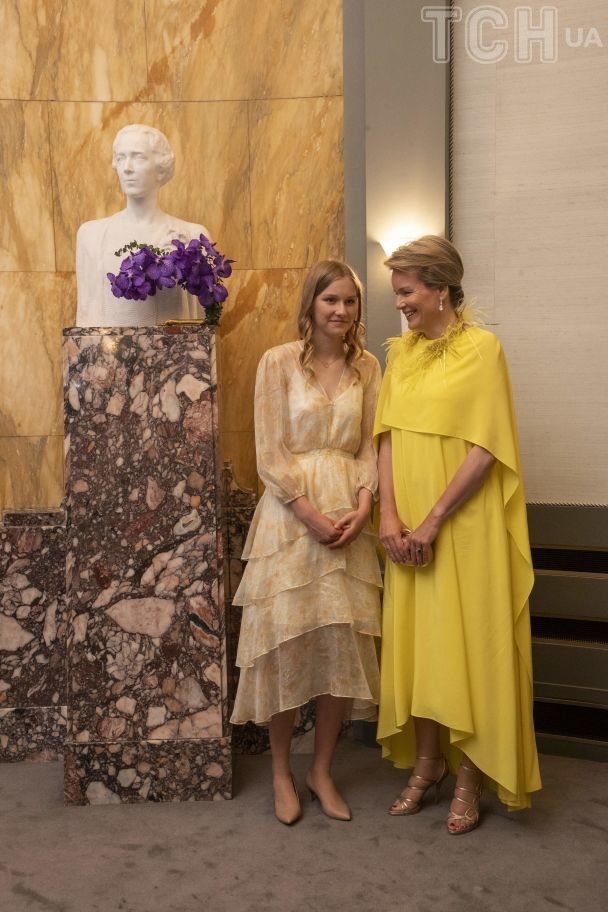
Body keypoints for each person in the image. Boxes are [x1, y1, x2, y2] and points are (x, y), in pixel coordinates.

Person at [374, 235, 541, 834]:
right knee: (421, 646)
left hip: (465, 528)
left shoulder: (483, 349)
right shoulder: (399, 355)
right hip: (405, 527)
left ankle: (471, 773)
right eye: (397, 294)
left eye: (407, 292)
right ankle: (428, 762)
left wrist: (434, 520)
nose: (400, 304)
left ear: (441, 288)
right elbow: (386, 438)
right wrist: (389, 517)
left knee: (469, 645)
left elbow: (487, 447)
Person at [230, 260, 382, 825]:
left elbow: (370, 446)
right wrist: (308, 512)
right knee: (288, 646)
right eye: (330, 300)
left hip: (349, 520)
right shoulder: (277, 362)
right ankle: (280, 772)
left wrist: (364, 504)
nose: (340, 310)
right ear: (311, 304)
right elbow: (269, 450)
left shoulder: (368, 366)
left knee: (339, 645)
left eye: (349, 301)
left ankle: (321, 769)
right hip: (291, 522)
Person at [76, 124, 210, 327]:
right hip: (109, 348)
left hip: (172, 347)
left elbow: (202, 325)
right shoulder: (91, 235)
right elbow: (85, 319)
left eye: (138, 157)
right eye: (121, 158)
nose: (127, 168)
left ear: (160, 167)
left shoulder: (192, 235)